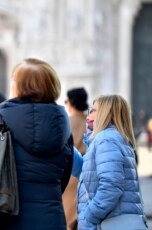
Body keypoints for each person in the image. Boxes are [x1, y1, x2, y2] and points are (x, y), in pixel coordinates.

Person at [0, 58, 73, 229]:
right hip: (52, 220)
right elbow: (64, 178)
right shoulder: (63, 125)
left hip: (6, 219)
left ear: (20, 87)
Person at [77, 95, 147, 230]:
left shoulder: (106, 140)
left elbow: (111, 186)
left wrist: (89, 216)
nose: (88, 116)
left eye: (92, 111)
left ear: (106, 113)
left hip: (106, 223)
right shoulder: (114, 138)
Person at [63, 87, 88, 230]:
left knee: (68, 220)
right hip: (87, 173)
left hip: (70, 172)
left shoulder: (67, 121)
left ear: (71, 102)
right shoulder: (90, 122)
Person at [65, 87, 88, 154]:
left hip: (72, 161)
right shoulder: (93, 121)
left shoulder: (66, 122)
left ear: (71, 102)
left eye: (66, 101)